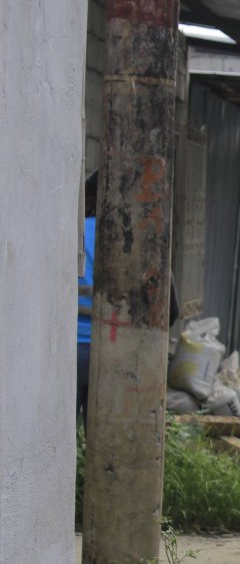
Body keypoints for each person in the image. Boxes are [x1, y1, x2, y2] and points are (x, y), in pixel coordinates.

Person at [77, 171, 98, 423]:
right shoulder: (130, 237)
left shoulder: (74, 231)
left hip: (67, 349)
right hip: (110, 350)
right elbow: (173, 311)